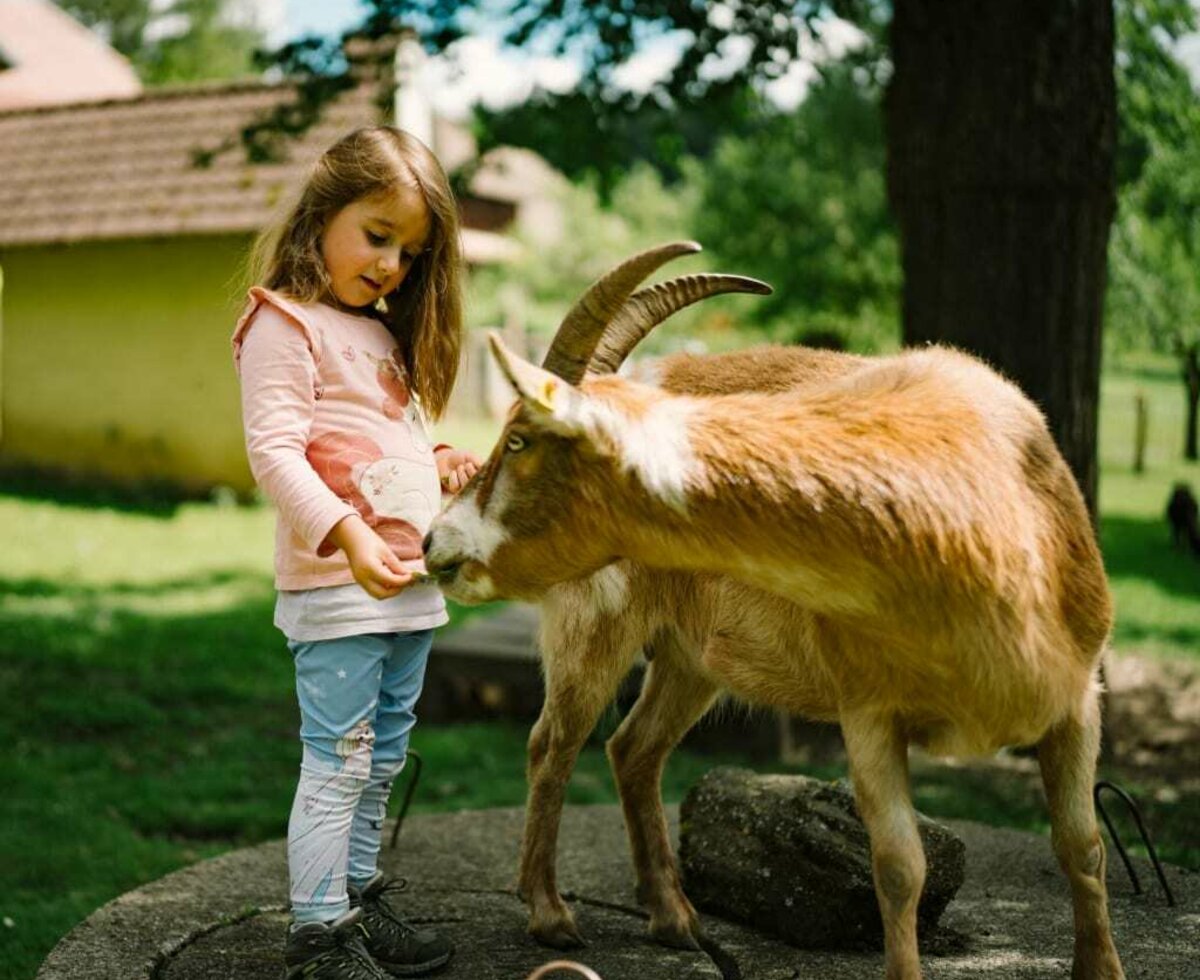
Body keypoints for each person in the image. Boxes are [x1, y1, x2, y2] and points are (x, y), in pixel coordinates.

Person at [233, 126, 480, 980]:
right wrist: (347, 534)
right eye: (377, 236)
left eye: (408, 253)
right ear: (322, 215)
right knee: (338, 759)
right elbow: (277, 453)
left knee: (383, 756)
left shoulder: (380, 333)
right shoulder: (283, 322)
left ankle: (355, 898)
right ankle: (316, 934)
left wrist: (437, 463)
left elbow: (378, 445)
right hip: (340, 589)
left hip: (407, 589)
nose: (390, 265)